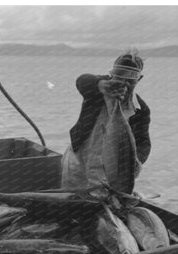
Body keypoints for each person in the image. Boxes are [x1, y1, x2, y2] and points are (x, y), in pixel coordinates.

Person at [61, 49, 151, 191]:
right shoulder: (97, 89)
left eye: (130, 80)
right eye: (119, 77)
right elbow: (82, 80)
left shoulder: (141, 110)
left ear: (139, 79)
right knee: (73, 200)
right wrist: (101, 85)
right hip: (79, 159)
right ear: (112, 74)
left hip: (108, 166)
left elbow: (143, 142)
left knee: (103, 201)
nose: (124, 83)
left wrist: (136, 161)